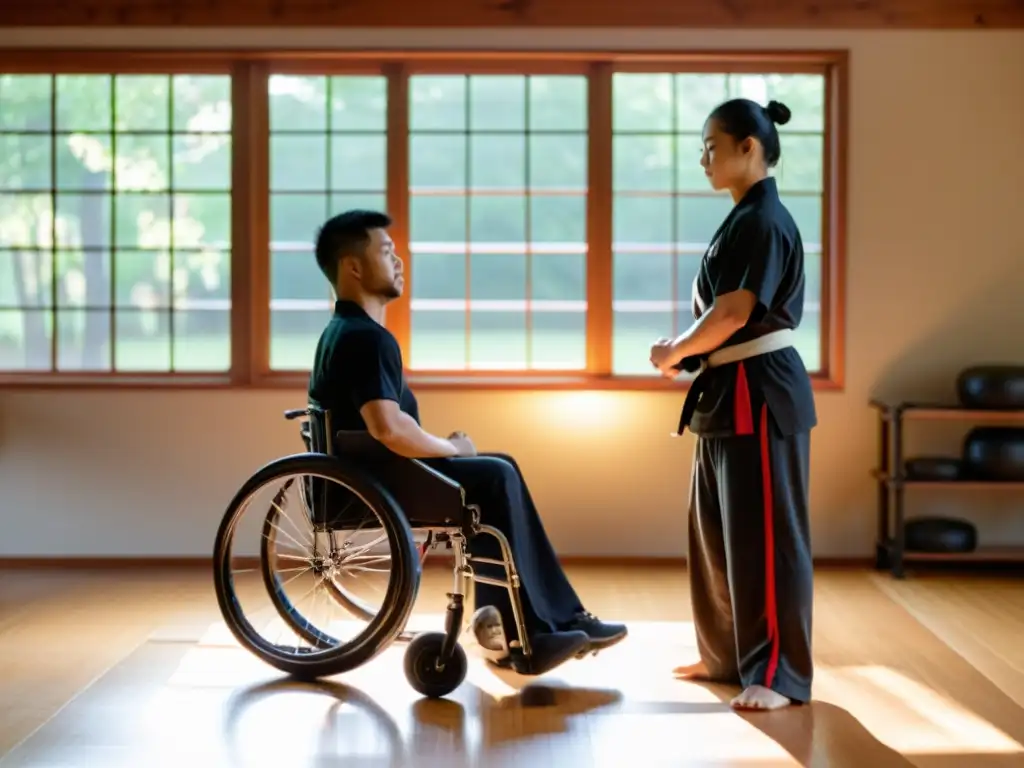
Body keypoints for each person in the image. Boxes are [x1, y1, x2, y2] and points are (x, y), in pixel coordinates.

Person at [307, 208, 628, 676]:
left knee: (501, 466)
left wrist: (448, 448)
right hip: (376, 481)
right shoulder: (365, 339)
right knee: (493, 474)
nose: (399, 260)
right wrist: (452, 448)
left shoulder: (345, 332)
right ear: (352, 267)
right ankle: (533, 633)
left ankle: (524, 622)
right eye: (386, 251)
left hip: (368, 475)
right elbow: (387, 429)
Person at [648, 98, 817, 711]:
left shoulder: (763, 220)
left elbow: (734, 313)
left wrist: (674, 351)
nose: (703, 159)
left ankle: (777, 675)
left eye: (712, 145)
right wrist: (689, 354)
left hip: (760, 392)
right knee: (717, 535)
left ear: (751, 146)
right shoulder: (743, 217)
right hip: (728, 389)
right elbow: (723, 322)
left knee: (767, 539)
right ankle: (726, 656)